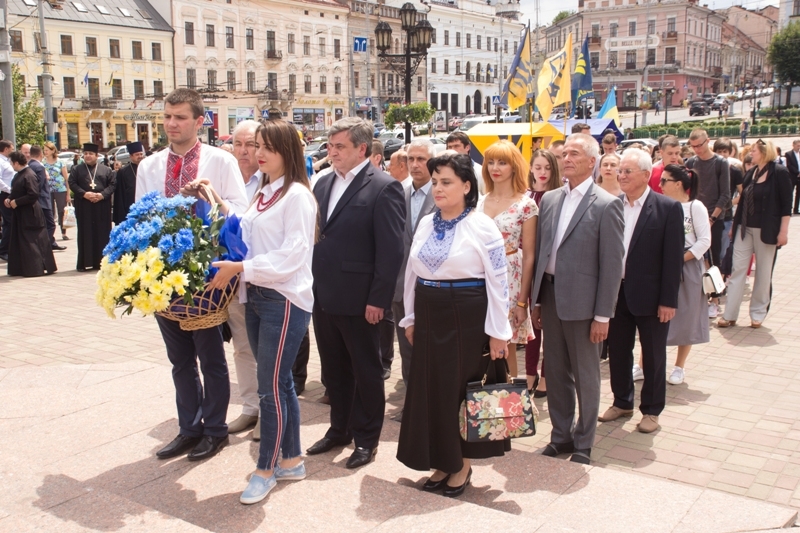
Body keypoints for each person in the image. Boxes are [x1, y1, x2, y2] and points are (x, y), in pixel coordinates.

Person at [136, 88, 249, 462]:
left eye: (180, 117)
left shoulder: (220, 160)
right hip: (162, 276)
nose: (171, 124)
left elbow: (241, 213)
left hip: (204, 276)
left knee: (211, 357)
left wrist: (209, 198)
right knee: (179, 359)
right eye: (168, 116)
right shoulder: (149, 165)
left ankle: (214, 429)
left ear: (200, 122)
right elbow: (139, 217)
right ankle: (189, 428)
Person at [208, 119, 317, 505]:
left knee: (270, 389)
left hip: (283, 299)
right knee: (280, 383)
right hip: (255, 296)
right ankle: (291, 459)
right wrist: (213, 200)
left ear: (287, 150)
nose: (258, 153)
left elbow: (292, 256)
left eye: (266, 146)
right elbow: (246, 234)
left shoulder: (298, 197)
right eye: (256, 146)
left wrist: (241, 270)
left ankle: (265, 469)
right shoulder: (265, 192)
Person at [397, 152, 512, 497]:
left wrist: (497, 332)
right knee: (431, 390)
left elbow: (499, 281)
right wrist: (411, 316)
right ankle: (441, 460)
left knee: (460, 392)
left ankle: (461, 465)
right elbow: (411, 273)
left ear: (466, 185)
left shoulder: (481, 225)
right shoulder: (428, 222)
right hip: (429, 313)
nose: (438, 188)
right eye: (435, 182)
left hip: (466, 316)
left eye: (446, 182)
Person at [305, 117, 405, 469]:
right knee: (334, 371)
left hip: (362, 300)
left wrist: (378, 299)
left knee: (366, 371)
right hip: (325, 295)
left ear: (362, 149)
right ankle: (339, 429)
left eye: (340, 147)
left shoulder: (383, 186)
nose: (332, 153)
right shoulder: (323, 183)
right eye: (330, 147)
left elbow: (391, 250)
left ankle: (366, 439)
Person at [530, 134, 625, 464]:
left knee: (586, 375)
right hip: (551, 296)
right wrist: (537, 301)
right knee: (554, 372)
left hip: (585, 306)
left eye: (574, 153)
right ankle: (561, 436)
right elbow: (543, 252)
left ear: (591, 161)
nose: (566, 158)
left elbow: (613, 266)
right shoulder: (551, 199)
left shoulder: (607, 204)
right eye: (564, 153)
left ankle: (584, 442)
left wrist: (603, 315)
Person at [598, 149, 683, 434]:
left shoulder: (667, 208)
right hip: (616, 294)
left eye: (627, 171)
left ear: (646, 175)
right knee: (619, 351)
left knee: (654, 355)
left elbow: (673, 260)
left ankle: (652, 411)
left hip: (652, 296)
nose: (621, 175)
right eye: (619, 171)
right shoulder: (612, 205)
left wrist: (668, 300)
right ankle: (622, 401)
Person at [478, 140, 538, 378]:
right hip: (478, 276)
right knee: (479, 341)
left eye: (502, 162)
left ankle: (509, 407)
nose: (496, 168)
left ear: (514, 166)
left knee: (506, 344)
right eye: (491, 162)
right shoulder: (479, 201)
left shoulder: (526, 204)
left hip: (509, 278)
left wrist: (523, 302)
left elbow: (530, 255)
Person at [718, 140, 792, 329]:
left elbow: (786, 205)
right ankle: (729, 314)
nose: (751, 153)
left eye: (755, 151)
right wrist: (735, 226)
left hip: (767, 230)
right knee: (738, 269)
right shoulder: (751, 173)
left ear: (765, 152)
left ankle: (757, 313)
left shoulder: (780, 173)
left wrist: (783, 231)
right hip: (745, 228)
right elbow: (743, 201)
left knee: (763, 272)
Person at [390, 139, 437, 422]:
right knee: (407, 351)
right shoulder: (398, 192)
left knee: (430, 351)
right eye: (411, 159)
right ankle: (412, 404)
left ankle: (433, 406)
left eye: (421, 159)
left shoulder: (445, 193)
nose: (415, 165)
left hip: (432, 288)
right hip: (400, 287)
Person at [221, 119, 263, 438]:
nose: (244, 150)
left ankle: (270, 412)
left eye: (251, 144)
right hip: (235, 282)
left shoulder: (275, 180)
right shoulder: (226, 180)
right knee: (242, 347)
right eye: (239, 144)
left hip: (267, 280)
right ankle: (250, 408)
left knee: (269, 350)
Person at [660, 165, 711, 385]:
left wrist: (680, 259)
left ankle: (679, 366)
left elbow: (704, 241)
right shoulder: (662, 205)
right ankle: (643, 365)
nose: (660, 185)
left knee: (688, 315)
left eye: (664, 181)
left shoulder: (695, 207)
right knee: (655, 317)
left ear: (678, 184)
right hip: (663, 264)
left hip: (687, 265)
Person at [525, 149, 562, 398]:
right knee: (531, 325)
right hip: (528, 266)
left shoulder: (560, 196)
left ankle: (548, 376)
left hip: (549, 269)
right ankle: (529, 373)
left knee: (548, 325)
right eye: (538, 167)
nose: (542, 173)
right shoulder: (525, 196)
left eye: (547, 168)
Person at [685, 129, 730, 319]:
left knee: (714, 260)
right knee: (697, 258)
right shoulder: (691, 163)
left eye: (700, 145)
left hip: (715, 218)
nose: (696, 150)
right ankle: (699, 298)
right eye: (693, 146)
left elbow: (725, 194)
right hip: (693, 217)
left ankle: (715, 301)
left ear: (708, 141)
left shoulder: (720, 163)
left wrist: (711, 218)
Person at [4, 151, 57, 276]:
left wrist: (17, 202)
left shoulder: (29, 175)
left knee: (31, 241)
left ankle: (35, 268)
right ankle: (20, 268)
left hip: (30, 213)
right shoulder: (19, 175)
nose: (11, 165)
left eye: (12, 163)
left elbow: (33, 194)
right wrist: (10, 198)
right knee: (21, 240)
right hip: (21, 213)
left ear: (16, 163)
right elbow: (16, 190)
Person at [68, 143, 116, 272]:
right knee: (86, 233)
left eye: (91, 154)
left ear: (96, 156)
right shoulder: (77, 169)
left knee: (102, 233)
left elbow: (112, 185)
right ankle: (85, 262)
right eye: (86, 153)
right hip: (84, 206)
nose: (88, 156)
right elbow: (72, 183)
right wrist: (84, 194)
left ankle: (102, 262)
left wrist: (102, 195)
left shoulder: (106, 170)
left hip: (101, 206)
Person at [28, 145, 63, 251]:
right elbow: (39, 185)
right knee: (50, 224)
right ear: (40, 154)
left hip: (35, 201)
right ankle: (44, 245)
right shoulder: (39, 167)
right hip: (42, 200)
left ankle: (50, 243)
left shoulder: (29, 165)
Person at [42, 142, 71, 241]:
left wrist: (68, 193)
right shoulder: (43, 162)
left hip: (60, 189)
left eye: (47, 150)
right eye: (44, 150)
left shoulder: (60, 162)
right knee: (49, 211)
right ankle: (50, 233)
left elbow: (66, 178)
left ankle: (63, 233)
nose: (45, 152)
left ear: (53, 150)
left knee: (61, 211)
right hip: (47, 190)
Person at [112, 142, 145, 225]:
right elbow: (120, 195)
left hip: (145, 205)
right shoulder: (123, 172)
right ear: (131, 156)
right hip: (129, 207)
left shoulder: (146, 168)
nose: (140, 156)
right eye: (137, 154)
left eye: (141, 154)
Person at [0, 140, 16, 261]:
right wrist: (9, 190)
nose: (13, 150)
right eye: (11, 148)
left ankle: (8, 248)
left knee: (10, 222)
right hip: (5, 195)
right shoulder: (0, 161)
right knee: (9, 222)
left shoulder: (6, 161)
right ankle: (4, 250)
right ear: (6, 149)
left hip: (9, 194)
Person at [786, 140, 800, 215]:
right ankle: (788, 209)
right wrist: (797, 172)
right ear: (793, 145)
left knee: (798, 193)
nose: (799, 147)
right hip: (793, 176)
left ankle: (796, 209)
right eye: (797, 146)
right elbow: (789, 165)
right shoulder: (789, 154)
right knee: (790, 193)